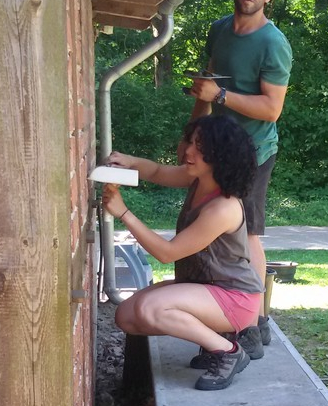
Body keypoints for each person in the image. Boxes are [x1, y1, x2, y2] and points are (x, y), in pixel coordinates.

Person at [179, 0, 293, 350]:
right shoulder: (219, 31)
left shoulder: (273, 43)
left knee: (249, 235)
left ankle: (256, 321)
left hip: (254, 151)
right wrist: (193, 134)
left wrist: (221, 96)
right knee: (209, 229)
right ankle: (221, 312)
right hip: (216, 149)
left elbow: (272, 109)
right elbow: (207, 85)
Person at [102, 115, 264, 391]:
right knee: (126, 316)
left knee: (150, 308)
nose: (188, 151)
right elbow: (156, 172)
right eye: (191, 141)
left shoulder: (223, 207)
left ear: (220, 155)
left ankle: (228, 351)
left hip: (235, 297)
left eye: (200, 147)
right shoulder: (197, 179)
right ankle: (218, 337)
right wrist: (129, 161)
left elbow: (168, 253)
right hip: (205, 287)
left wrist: (124, 213)